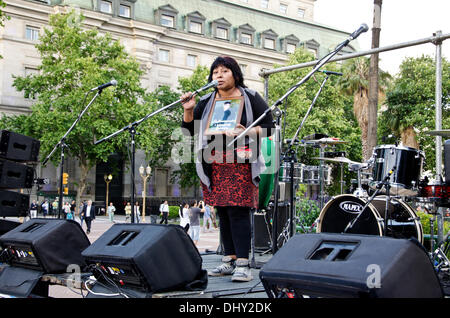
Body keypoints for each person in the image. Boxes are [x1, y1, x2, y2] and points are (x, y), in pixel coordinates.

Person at [181, 56, 274, 282]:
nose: (219, 76)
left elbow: (270, 127)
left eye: (224, 71)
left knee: (238, 210)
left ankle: (243, 264)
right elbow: (189, 130)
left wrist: (247, 132)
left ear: (235, 74)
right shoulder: (207, 100)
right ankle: (229, 260)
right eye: (215, 72)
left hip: (241, 160)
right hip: (213, 161)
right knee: (222, 210)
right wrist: (189, 110)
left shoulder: (250, 97)